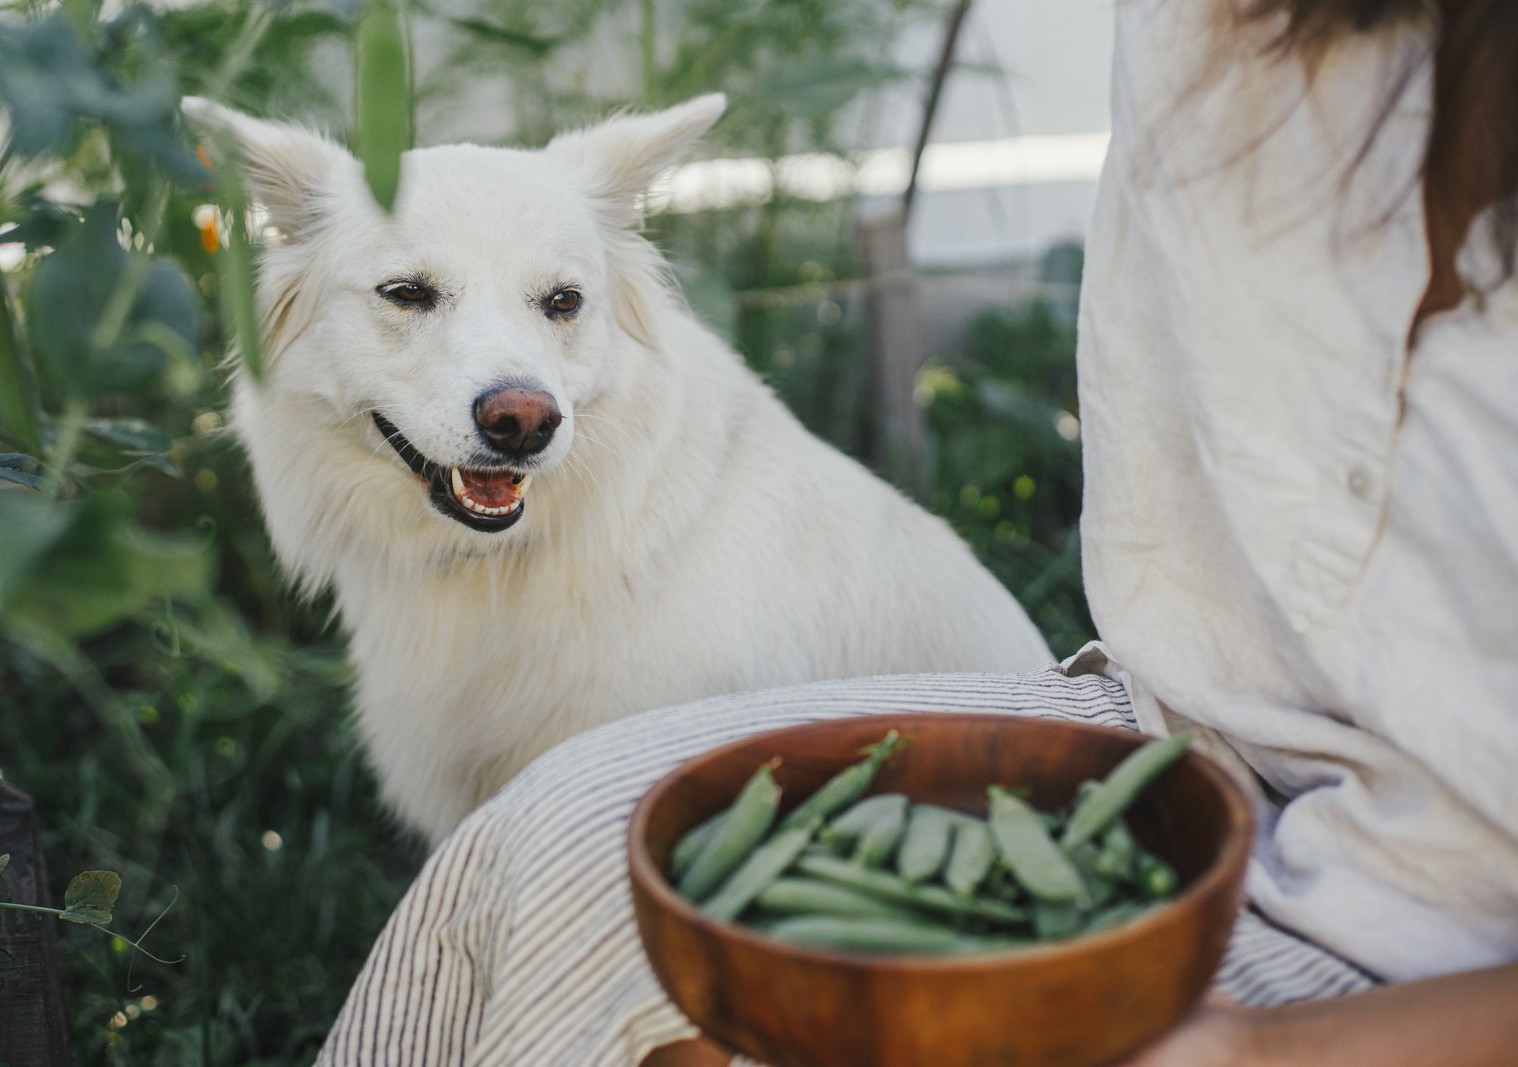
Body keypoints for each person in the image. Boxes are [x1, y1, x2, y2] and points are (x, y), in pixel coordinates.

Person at [311, 0, 1518, 1063]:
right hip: (1188, 737)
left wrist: (1264, 1051)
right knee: (563, 826)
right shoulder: (1183, 31)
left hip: (1453, 926)